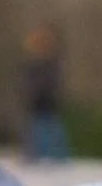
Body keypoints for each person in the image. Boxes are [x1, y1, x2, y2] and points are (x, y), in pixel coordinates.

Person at [22, 23, 70, 162]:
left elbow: (51, 84)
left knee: (50, 130)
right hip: (37, 104)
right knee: (39, 130)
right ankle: (37, 156)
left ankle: (57, 157)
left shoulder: (50, 64)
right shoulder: (34, 64)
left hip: (47, 103)